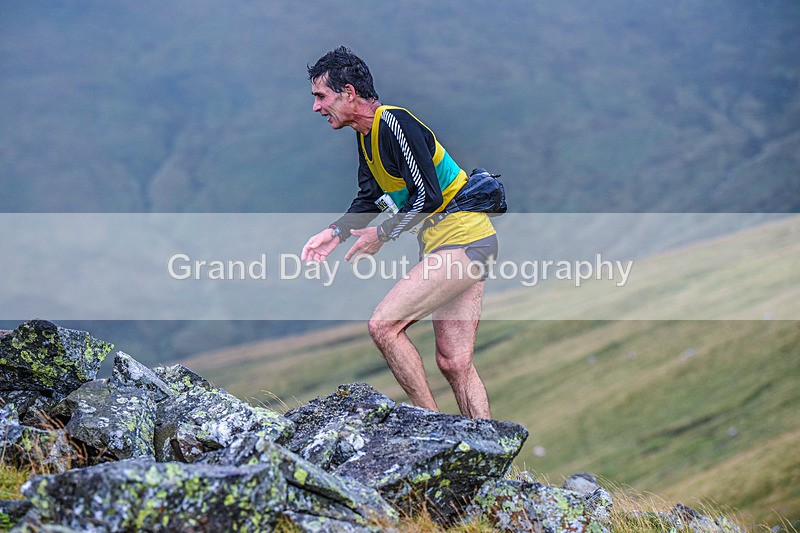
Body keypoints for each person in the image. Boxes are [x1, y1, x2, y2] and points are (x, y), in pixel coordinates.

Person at [301, 46, 497, 419]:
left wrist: (382, 235)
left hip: (465, 239)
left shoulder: (394, 123)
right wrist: (336, 232)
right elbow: (370, 197)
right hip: (448, 243)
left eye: (321, 96)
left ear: (349, 93)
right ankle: (486, 452)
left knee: (384, 325)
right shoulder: (365, 135)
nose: (316, 107)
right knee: (454, 362)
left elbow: (428, 196)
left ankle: (431, 428)